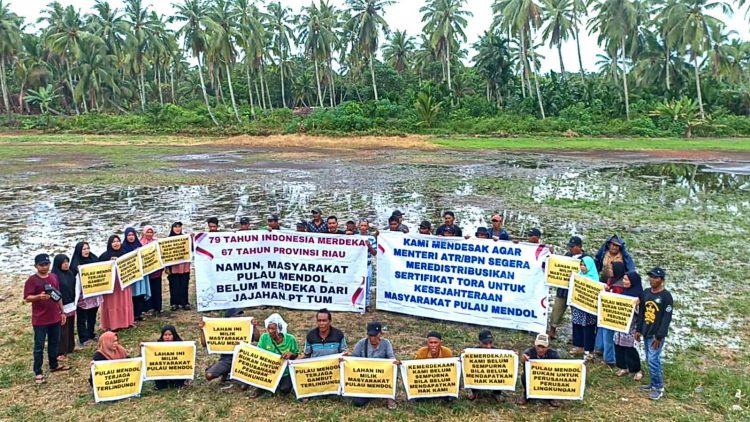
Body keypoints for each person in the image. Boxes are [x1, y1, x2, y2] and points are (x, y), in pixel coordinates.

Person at [25, 253, 70, 384]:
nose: (44, 267)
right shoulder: (32, 280)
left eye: (47, 264)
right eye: (41, 265)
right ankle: (38, 372)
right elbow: (27, 298)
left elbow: (58, 296)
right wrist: (38, 297)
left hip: (54, 316)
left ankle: (53, 364)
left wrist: (62, 312)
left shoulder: (54, 277)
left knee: (54, 342)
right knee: (39, 345)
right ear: (36, 266)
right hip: (40, 319)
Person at [636, 267, 673, 401]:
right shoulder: (646, 292)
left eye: (655, 277)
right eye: (651, 277)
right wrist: (639, 330)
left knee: (653, 360)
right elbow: (642, 313)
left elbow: (666, 318)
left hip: (655, 335)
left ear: (662, 280)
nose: (652, 280)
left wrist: (659, 336)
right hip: (646, 331)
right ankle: (652, 384)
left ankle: (659, 387)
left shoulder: (666, 296)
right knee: (649, 358)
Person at [199, 308, 259, 390]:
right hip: (226, 360)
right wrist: (202, 330)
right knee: (209, 375)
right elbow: (204, 344)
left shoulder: (244, 327)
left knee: (243, 387)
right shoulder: (221, 328)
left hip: (242, 360)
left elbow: (257, 338)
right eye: (236, 315)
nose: (239, 317)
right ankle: (225, 372)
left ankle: (236, 375)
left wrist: (254, 327)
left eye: (239, 315)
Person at [349, 322, 398, 410]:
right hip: (365, 377)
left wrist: (394, 362)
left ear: (380, 334)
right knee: (358, 402)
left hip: (381, 376)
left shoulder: (386, 343)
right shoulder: (361, 343)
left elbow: (391, 357)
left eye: (375, 335)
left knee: (393, 369)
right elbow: (353, 359)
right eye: (370, 335)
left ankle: (389, 397)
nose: (372, 338)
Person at [250, 313, 299, 398]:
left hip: (285, 372)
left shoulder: (290, 339)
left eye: (273, 329)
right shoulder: (264, 338)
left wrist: (291, 354)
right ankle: (263, 387)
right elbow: (259, 353)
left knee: (285, 389)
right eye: (268, 328)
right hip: (268, 370)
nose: (270, 331)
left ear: (279, 329)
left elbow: (296, 355)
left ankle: (274, 386)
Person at [549, 236, 586, 340]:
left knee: (577, 314)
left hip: (577, 291)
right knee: (557, 309)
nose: (570, 249)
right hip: (563, 288)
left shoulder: (586, 258)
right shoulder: (567, 255)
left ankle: (576, 337)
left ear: (579, 247)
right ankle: (552, 330)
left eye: (572, 247)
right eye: (570, 247)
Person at [98, 235, 135, 331]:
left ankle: (126, 322)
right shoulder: (104, 256)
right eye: (113, 242)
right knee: (112, 303)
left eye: (118, 241)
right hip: (111, 285)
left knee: (124, 302)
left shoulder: (125, 254)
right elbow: (98, 270)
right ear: (110, 244)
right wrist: (109, 263)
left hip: (123, 283)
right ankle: (112, 324)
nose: (116, 243)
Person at [614, 271, 644, 381]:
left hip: (631, 327)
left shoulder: (639, 296)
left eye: (627, 280)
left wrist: (637, 305)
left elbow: (641, 314)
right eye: (623, 279)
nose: (624, 282)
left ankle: (636, 369)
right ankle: (622, 367)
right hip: (620, 325)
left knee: (630, 348)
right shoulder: (623, 293)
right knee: (618, 345)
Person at [71, 241, 101, 346]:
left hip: (94, 293)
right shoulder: (75, 263)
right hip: (82, 295)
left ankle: (91, 333)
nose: (86, 251)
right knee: (82, 317)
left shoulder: (94, 259)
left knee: (93, 314)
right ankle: (83, 338)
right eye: (84, 249)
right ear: (79, 250)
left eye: (87, 248)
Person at [518, 334, 561, 407]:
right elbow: (525, 368)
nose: (540, 349)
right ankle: (526, 395)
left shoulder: (554, 354)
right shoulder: (529, 352)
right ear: (534, 345)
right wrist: (523, 360)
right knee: (524, 376)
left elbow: (561, 369)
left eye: (543, 347)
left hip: (548, 377)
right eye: (538, 346)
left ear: (548, 347)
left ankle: (552, 396)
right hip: (534, 377)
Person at [596, 261, 626, 366]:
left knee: (609, 336)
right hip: (605, 313)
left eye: (612, 269)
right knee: (603, 332)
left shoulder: (620, 286)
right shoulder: (611, 280)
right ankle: (600, 349)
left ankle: (609, 360)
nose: (610, 271)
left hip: (611, 316)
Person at [570, 256, 599, 359]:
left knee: (588, 328)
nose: (582, 267)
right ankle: (579, 346)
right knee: (577, 325)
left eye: (584, 265)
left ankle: (589, 349)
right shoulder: (578, 275)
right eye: (581, 265)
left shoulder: (594, 278)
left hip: (588, 309)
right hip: (578, 306)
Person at [465, 330, 503, 403]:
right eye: (485, 344)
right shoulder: (473, 352)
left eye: (490, 343)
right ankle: (475, 392)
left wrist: (513, 356)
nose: (488, 346)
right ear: (480, 342)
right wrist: (463, 355)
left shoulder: (498, 351)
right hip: (479, 374)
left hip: (493, 374)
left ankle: (497, 393)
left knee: (501, 372)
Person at [122, 227, 151, 322]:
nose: (131, 237)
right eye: (129, 235)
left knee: (140, 293)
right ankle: (133, 314)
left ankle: (139, 313)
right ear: (126, 236)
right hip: (131, 275)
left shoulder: (139, 245)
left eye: (132, 235)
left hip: (140, 274)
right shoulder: (123, 247)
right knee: (132, 295)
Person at [51, 254, 76, 361]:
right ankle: (60, 352)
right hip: (61, 306)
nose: (66, 264)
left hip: (71, 304)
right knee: (62, 329)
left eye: (67, 262)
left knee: (70, 326)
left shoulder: (70, 273)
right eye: (64, 262)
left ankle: (70, 347)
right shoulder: (54, 276)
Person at [166, 222, 191, 311]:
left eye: (179, 227)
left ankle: (185, 302)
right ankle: (174, 303)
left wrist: (193, 238)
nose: (177, 229)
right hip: (173, 267)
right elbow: (165, 254)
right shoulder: (167, 240)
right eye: (175, 227)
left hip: (184, 267)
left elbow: (191, 249)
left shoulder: (186, 238)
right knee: (174, 285)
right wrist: (167, 268)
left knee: (184, 284)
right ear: (172, 228)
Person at [154, 325, 187, 390]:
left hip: (177, 370)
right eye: (165, 335)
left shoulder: (181, 345)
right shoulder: (157, 345)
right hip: (162, 370)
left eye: (170, 335)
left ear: (174, 335)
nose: (167, 337)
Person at [141, 226, 164, 316]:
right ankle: (148, 308)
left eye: (151, 232)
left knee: (157, 289)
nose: (149, 234)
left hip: (157, 271)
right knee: (147, 289)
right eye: (148, 232)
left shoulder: (156, 242)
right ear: (144, 233)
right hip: (146, 273)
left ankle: (158, 307)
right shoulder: (140, 244)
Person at [358, 219, 377, 310]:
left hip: (367, 263)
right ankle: (357, 301)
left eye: (365, 226)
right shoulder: (355, 237)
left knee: (368, 283)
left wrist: (369, 246)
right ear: (359, 226)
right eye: (361, 225)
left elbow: (374, 253)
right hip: (357, 264)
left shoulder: (372, 238)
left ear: (367, 227)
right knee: (357, 283)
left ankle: (367, 303)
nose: (363, 228)